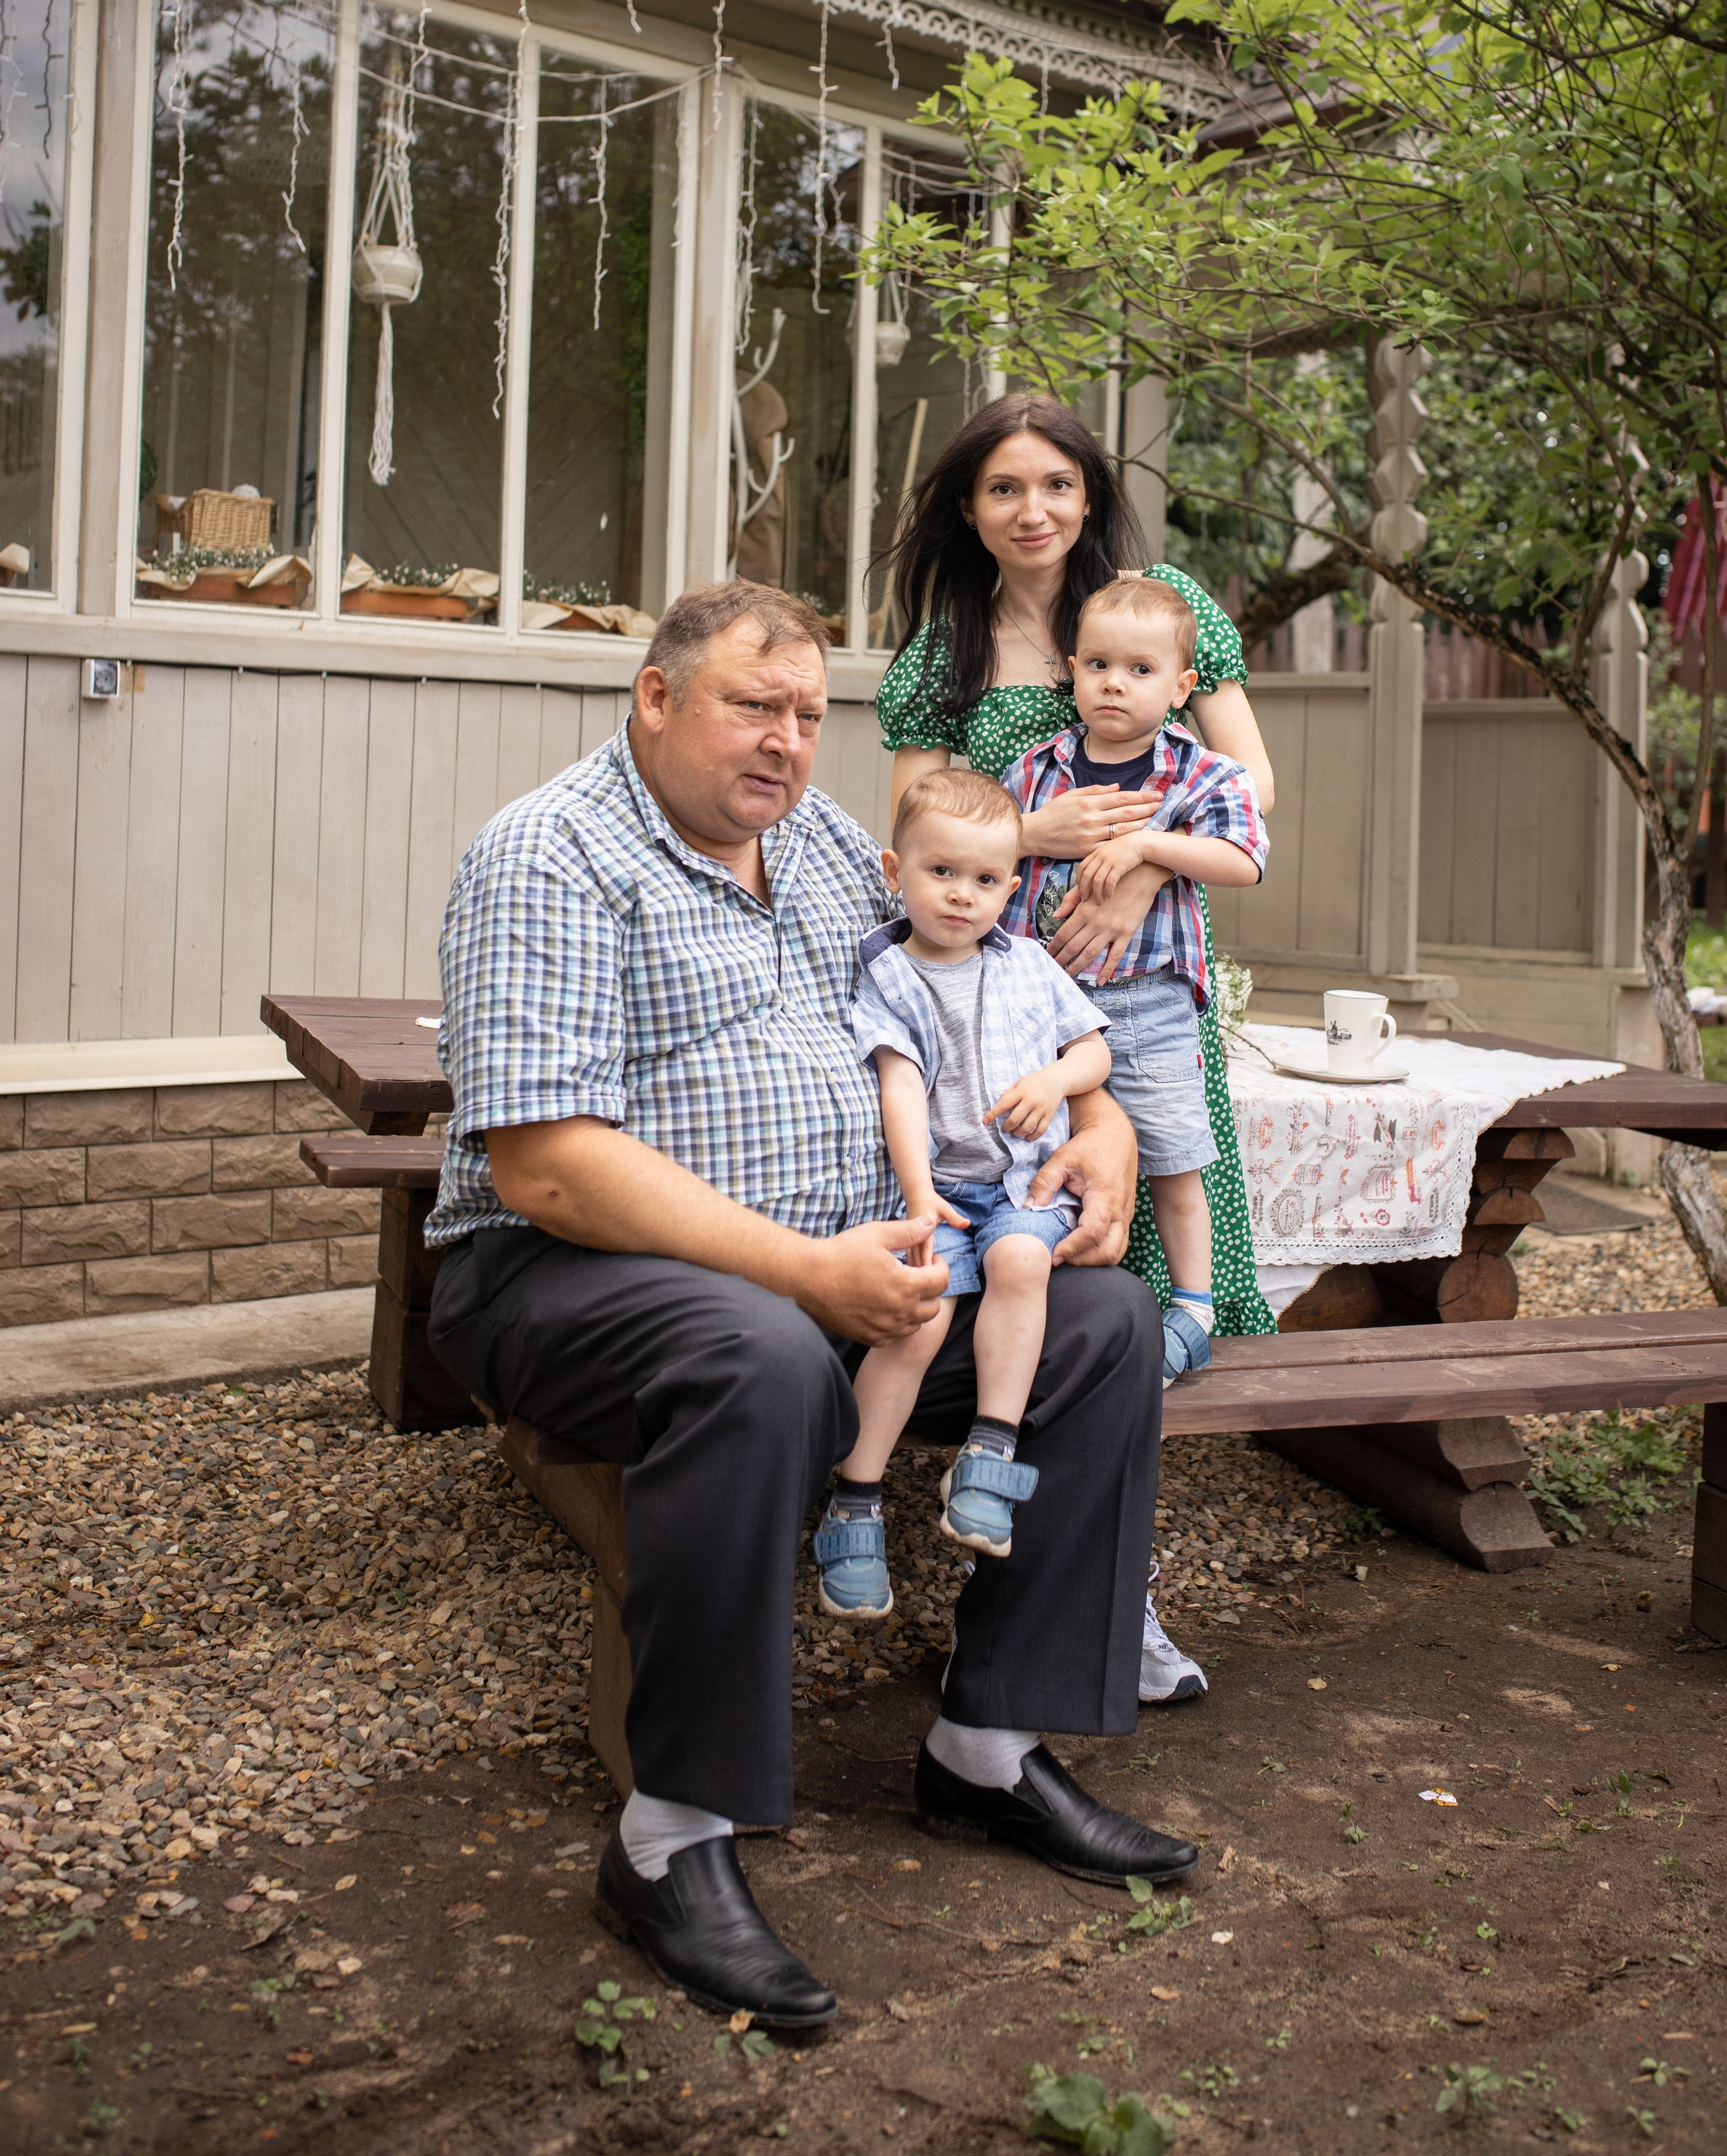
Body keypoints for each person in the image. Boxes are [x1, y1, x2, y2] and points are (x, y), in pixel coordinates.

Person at [425, 580, 1196, 2034]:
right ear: (654, 701)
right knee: (763, 1354)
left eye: (805, 714)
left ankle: (983, 1747)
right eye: (749, 706)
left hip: (841, 1269)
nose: (785, 742)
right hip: (563, 1278)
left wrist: (1099, 1142)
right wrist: (801, 1272)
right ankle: (670, 1837)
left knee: (1097, 1329)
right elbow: (543, 1167)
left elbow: (1018, 998)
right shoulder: (549, 854)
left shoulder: (838, 851)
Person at [876, 390, 1280, 1708]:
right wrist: (1037, 845)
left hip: (1145, 1004)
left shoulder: (1163, 613)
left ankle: (1116, 1605)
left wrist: (1147, 861)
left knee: (1132, 1308)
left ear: (1092, 495)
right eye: (1003, 488)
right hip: (1004, 1027)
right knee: (1015, 1292)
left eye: (1057, 483)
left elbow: (1252, 790)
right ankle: (998, 1580)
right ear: (967, 509)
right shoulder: (941, 658)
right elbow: (918, 830)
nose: (1033, 508)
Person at [812, 768, 1112, 1619]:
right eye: (940, 872)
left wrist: (1057, 1080)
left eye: (985, 881)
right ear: (892, 869)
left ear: (1010, 888)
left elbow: (1094, 1050)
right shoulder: (887, 973)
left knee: (1022, 1261)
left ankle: (989, 1452)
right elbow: (898, 1088)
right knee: (920, 1311)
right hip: (937, 1185)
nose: (961, 896)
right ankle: (855, 1498)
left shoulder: (1026, 963)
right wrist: (917, 1198)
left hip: (1019, 1179)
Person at [1003, 577, 1269, 1386]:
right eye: (1098, 665)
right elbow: (992, 855)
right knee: (1043, 1152)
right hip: (1045, 1006)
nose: (1114, 683)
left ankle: (1192, 1309)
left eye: (1140, 670)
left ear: (1181, 687)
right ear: (1073, 672)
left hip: (1148, 1000)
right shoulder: (1037, 771)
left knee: (1172, 1156)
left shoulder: (1198, 775)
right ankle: (1046, 1301)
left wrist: (1155, 848)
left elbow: (1244, 860)